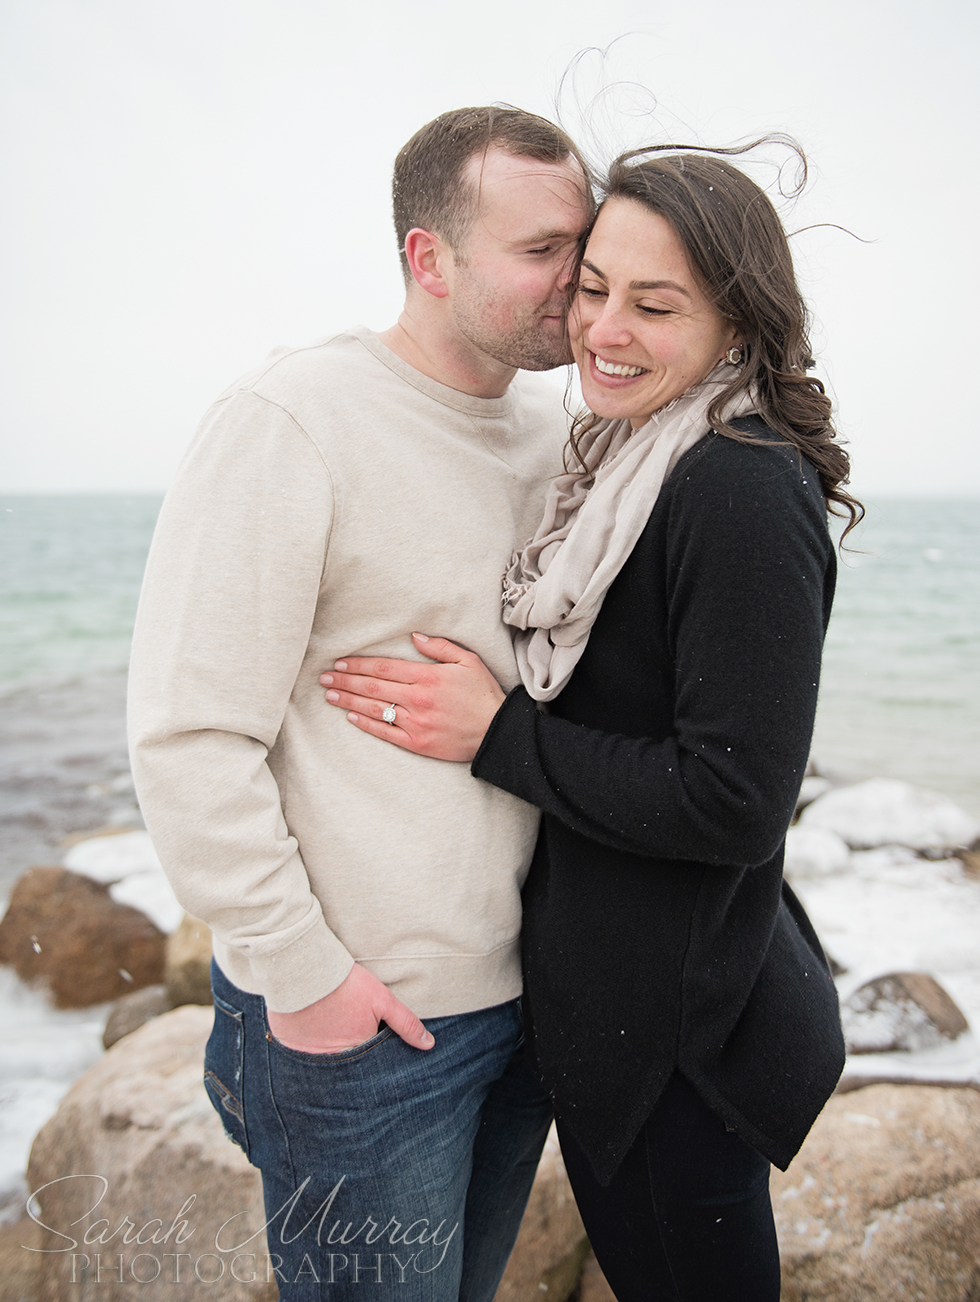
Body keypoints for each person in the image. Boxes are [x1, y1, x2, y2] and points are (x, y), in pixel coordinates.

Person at [319, 143, 861, 1301]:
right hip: (626, 1014)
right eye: (591, 287)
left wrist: (498, 733)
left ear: (735, 320)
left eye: (654, 305)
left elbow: (734, 798)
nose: (602, 329)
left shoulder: (735, 484)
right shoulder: (628, 457)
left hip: (677, 1048)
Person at [128, 106, 593, 1300]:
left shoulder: (559, 437)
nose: (576, 278)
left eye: (579, 243)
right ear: (427, 258)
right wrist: (307, 978)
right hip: (364, 1033)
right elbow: (188, 737)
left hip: (525, 1002)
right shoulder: (290, 423)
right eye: (539, 249)